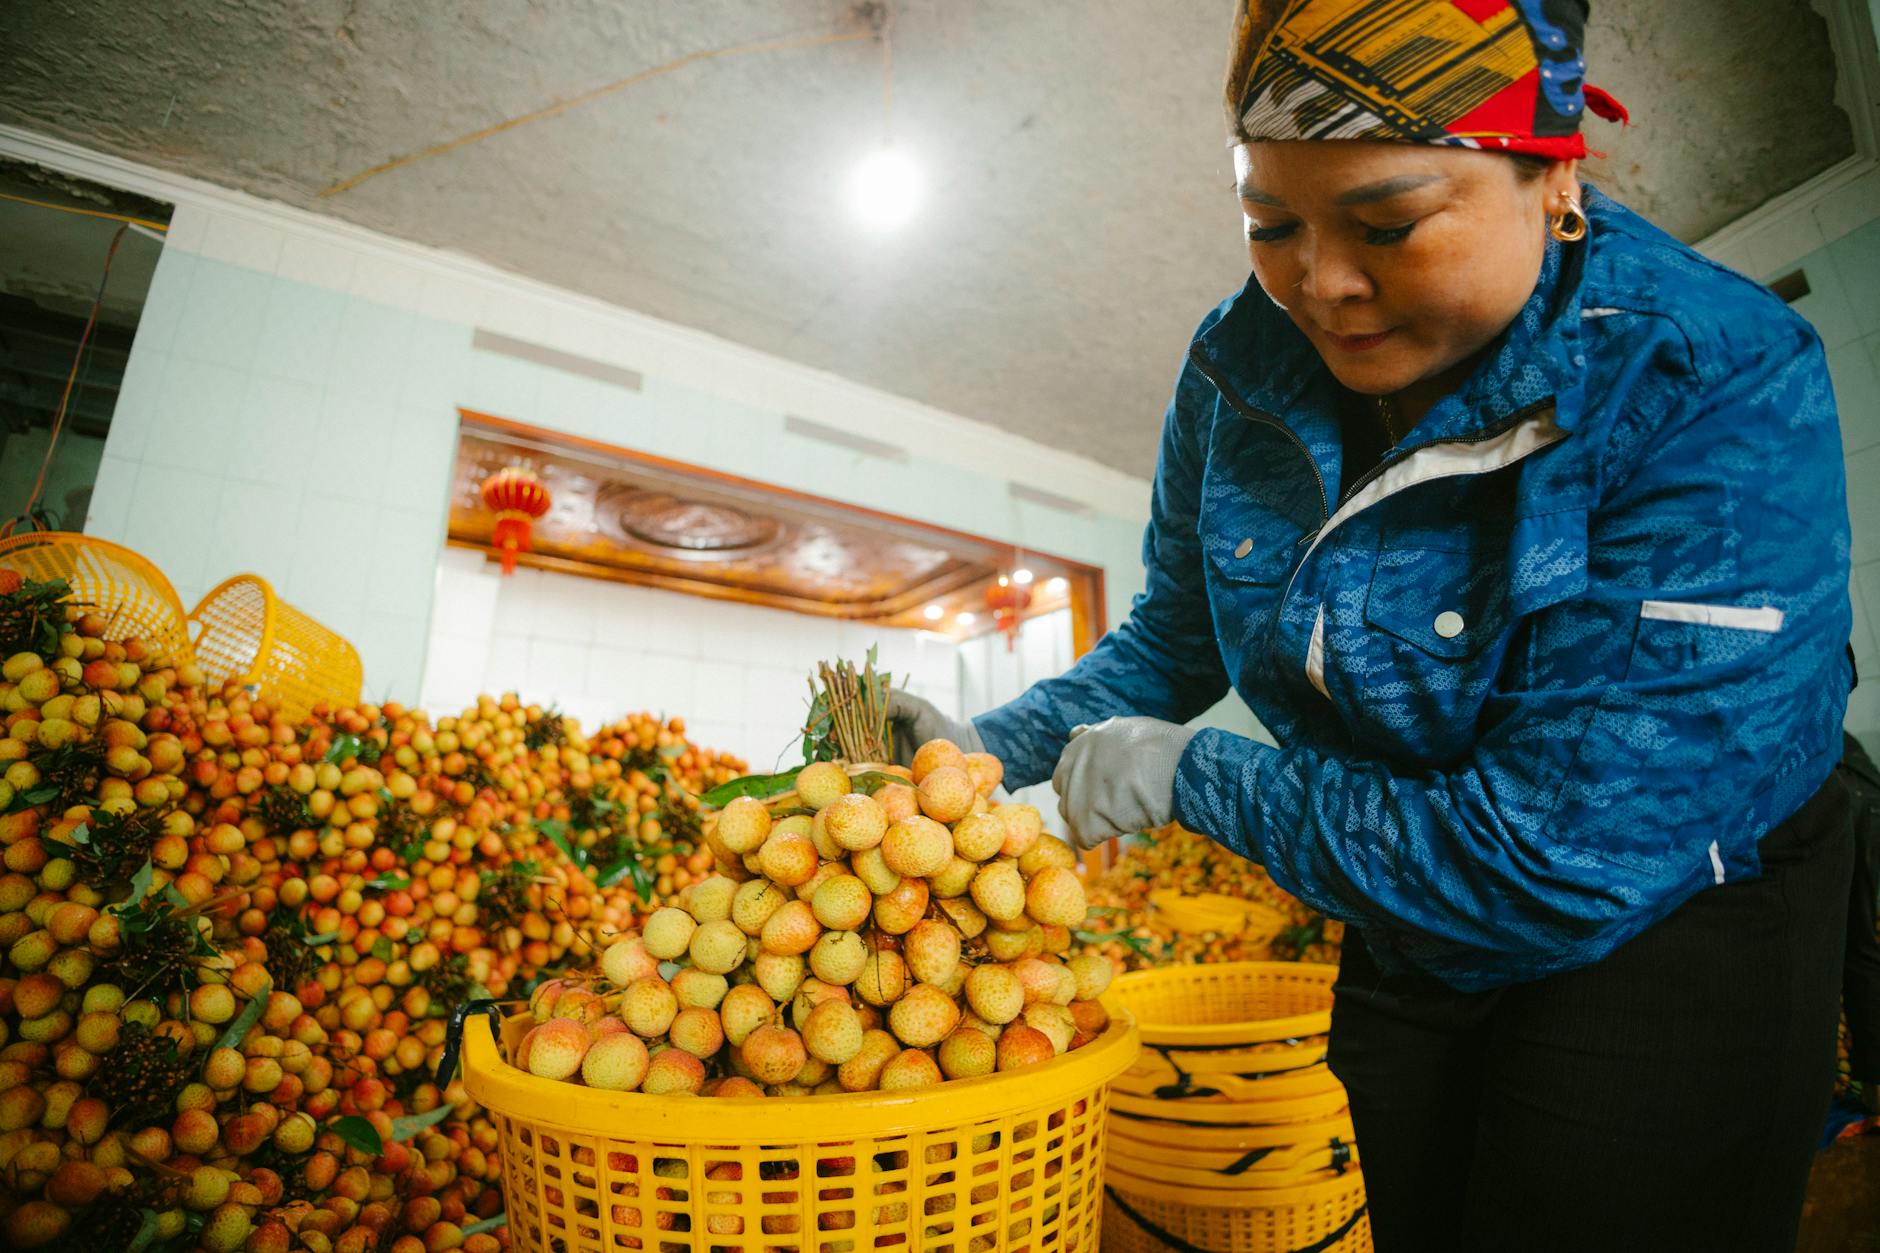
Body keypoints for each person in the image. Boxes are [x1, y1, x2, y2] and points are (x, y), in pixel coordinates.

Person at [889, 1, 1856, 1248]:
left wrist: (1202, 777)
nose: (1319, 284)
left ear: (1551, 174)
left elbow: (1552, 857)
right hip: (1396, 863)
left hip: (1667, 904)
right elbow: (1178, 632)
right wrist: (978, 747)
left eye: (1386, 225)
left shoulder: (1707, 378)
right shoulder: (1239, 368)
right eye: (1268, 225)